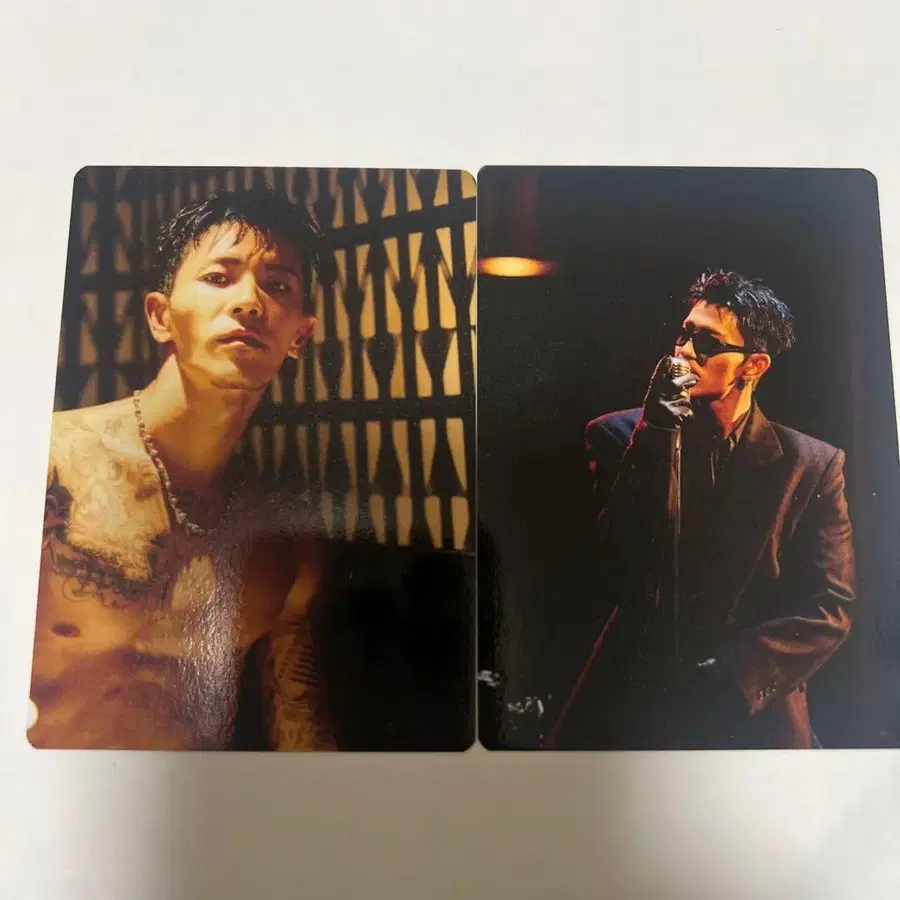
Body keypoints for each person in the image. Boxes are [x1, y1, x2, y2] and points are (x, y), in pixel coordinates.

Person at [28, 189, 338, 750]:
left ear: (299, 335)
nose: (249, 302)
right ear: (160, 316)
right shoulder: (46, 463)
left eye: (278, 286)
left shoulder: (282, 539)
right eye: (219, 278)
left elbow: (299, 729)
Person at [549, 270, 856, 750]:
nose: (684, 352)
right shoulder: (618, 435)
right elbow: (620, 564)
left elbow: (829, 605)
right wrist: (656, 431)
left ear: (753, 365)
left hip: (747, 710)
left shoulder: (811, 465)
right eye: (684, 334)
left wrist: (731, 675)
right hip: (634, 703)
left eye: (708, 342)